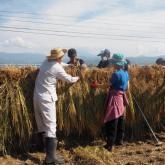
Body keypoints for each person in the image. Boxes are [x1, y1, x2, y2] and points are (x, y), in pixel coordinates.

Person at [33, 48, 79, 165]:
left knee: (41, 124)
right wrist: (78, 77)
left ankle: (42, 148)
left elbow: (59, 64)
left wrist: (69, 66)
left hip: (37, 97)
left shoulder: (45, 62)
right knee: (51, 126)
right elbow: (68, 79)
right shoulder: (57, 67)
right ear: (59, 57)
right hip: (47, 99)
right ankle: (50, 159)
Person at [104, 53, 129, 151]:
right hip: (122, 98)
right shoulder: (126, 73)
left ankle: (110, 145)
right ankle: (119, 140)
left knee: (112, 120)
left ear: (116, 63)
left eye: (113, 63)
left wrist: (96, 85)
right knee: (121, 119)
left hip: (114, 98)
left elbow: (108, 85)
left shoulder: (115, 74)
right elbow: (127, 87)